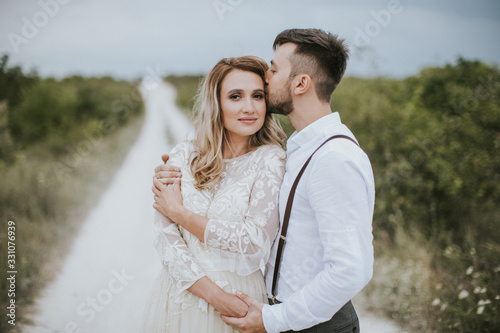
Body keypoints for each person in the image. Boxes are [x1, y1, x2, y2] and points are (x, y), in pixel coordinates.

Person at [157, 28, 375, 333]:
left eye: (273, 69)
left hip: (315, 325)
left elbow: (351, 270)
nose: (267, 76)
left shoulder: (333, 158)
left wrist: (276, 319)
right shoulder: (299, 148)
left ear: (301, 82)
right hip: (275, 313)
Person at [144, 56, 287, 332]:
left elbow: (255, 242)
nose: (249, 107)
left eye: (258, 96)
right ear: (217, 102)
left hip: (241, 301)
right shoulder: (183, 155)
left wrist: (180, 214)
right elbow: (165, 237)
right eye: (235, 96)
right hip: (181, 295)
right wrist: (215, 296)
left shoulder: (271, 160)